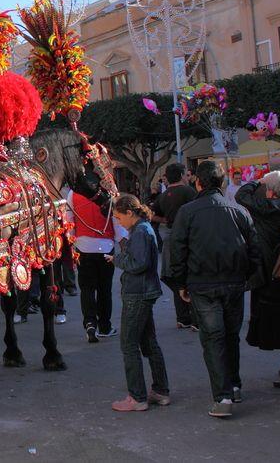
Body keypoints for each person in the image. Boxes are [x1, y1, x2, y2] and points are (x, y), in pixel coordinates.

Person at [169, 159, 260, 418]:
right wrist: (247, 276)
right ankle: (233, 385)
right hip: (232, 282)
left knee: (213, 339)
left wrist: (180, 283)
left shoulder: (189, 212)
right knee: (229, 336)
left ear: (198, 182)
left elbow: (178, 251)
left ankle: (223, 395)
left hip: (204, 283)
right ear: (222, 182)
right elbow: (254, 249)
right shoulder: (239, 211)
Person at [236, 170, 280, 386]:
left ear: (271, 190)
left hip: (272, 270)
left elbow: (241, 196)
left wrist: (257, 180)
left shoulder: (270, 207)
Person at [110, 195, 169, 412]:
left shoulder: (141, 231)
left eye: (119, 218)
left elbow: (138, 263)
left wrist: (117, 259)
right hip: (143, 291)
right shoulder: (142, 230)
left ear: (129, 213)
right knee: (148, 342)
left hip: (138, 293)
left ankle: (137, 396)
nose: (118, 222)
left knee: (129, 344)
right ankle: (160, 390)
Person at [152, 163, 199, 330]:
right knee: (191, 276)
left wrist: (165, 220)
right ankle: (196, 318)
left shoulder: (163, 196)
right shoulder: (189, 192)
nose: (187, 177)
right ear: (180, 175)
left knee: (175, 277)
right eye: (186, 174)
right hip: (188, 238)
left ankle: (182, 318)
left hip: (170, 239)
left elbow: (153, 215)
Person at [70, 190, 117, 343]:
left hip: (83, 246)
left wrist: (72, 242)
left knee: (87, 289)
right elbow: (116, 219)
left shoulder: (73, 194)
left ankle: (90, 323)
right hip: (106, 245)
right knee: (105, 289)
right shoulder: (109, 190)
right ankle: (105, 326)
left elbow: (69, 220)